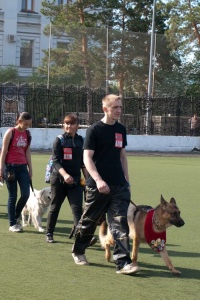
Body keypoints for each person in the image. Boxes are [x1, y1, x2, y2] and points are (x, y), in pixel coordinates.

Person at [71, 94, 140, 275]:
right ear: (105, 109)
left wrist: (127, 180)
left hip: (119, 185)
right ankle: (78, 251)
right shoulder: (94, 130)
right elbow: (87, 158)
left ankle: (123, 263)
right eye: (115, 107)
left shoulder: (121, 130)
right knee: (89, 221)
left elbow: (122, 156)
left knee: (119, 223)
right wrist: (99, 180)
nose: (118, 110)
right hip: (97, 186)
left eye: (120, 107)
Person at [45, 114, 88, 243]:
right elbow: (56, 161)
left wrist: (89, 181)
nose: (68, 126)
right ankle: (49, 233)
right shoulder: (59, 140)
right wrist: (65, 175)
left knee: (77, 210)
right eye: (66, 123)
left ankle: (80, 237)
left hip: (75, 180)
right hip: (59, 179)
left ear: (77, 126)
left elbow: (83, 163)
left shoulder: (82, 141)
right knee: (55, 206)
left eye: (72, 123)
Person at [0, 112, 33, 232]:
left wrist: (30, 168)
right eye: (25, 124)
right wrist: (0, 169)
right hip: (10, 168)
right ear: (19, 121)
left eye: (29, 124)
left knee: (26, 194)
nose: (27, 126)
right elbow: (4, 151)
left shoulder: (27, 133)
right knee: (13, 195)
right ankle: (12, 223)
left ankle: (16, 215)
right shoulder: (10, 132)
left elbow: (27, 151)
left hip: (22, 168)